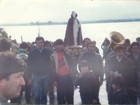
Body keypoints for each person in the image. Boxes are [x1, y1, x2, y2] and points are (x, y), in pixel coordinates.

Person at [28, 36, 52, 104]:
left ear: (43, 43)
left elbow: (52, 64)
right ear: (35, 43)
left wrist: (51, 75)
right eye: (38, 43)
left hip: (46, 75)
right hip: (36, 76)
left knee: (44, 94)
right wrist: (29, 77)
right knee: (37, 95)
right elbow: (29, 65)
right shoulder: (32, 52)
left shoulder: (48, 51)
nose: (40, 44)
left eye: (41, 42)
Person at [51, 39, 74, 104]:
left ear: (63, 45)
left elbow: (73, 62)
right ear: (54, 46)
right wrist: (54, 80)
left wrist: (67, 53)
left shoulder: (68, 52)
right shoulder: (52, 55)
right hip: (59, 77)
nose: (59, 46)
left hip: (69, 76)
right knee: (60, 96)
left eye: (60, 45)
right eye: (57, 45)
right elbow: (52, 69)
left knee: (70, 95)